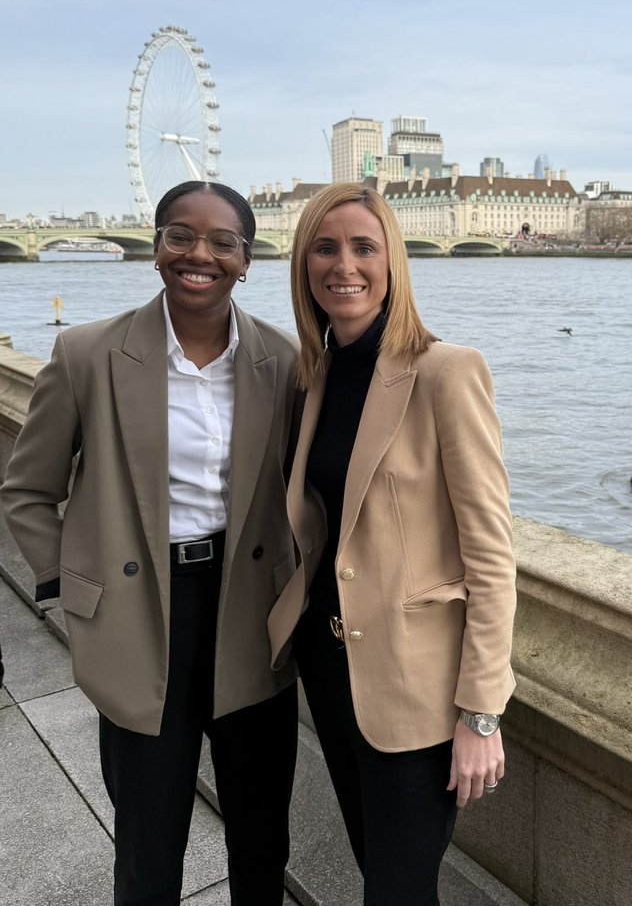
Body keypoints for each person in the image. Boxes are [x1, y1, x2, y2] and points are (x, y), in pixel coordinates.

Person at [1, 181, 301, 906]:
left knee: (262, 833)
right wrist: (73, 590)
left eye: (222, 242)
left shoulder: (283, 359)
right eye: (180, 235)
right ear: (155, 246)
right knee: (148, 839)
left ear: (246, 260)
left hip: (249, 612)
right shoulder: (87, 354)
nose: (200, 254)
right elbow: (27, 491)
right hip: (139, 614)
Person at [267, 183, 517, 906]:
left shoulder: (445, 372)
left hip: (415, 689)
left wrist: (480, 713)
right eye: (324, 247)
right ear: (303, 264)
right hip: (330, 669)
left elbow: (491, 557)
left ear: (392, 263)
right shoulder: (313, 377)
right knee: (374, 867)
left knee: (398, 890)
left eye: (363, 247)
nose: (343, 265)